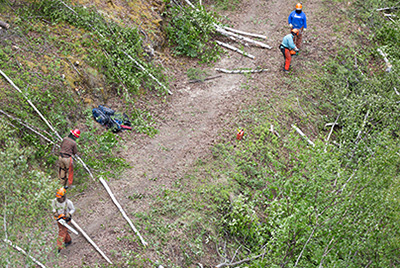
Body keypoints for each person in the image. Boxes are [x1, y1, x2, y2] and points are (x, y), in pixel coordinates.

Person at [52, 187, 75, 253]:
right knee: (63, 231)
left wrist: (69, 213)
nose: (59, 199)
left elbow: (73, 209)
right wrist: (54, 212)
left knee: (62, 232)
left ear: (63, 196)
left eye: (60, 197)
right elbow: (53, 207)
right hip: (59, 218)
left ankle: (59, 247)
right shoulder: (55, 201)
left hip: (66, 219)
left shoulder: (68, 202)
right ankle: (68, 241)